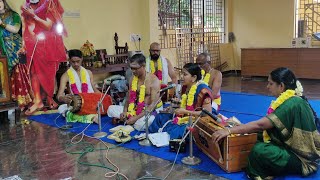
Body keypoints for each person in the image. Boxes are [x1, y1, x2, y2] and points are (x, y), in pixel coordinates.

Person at [212, 67, 320, 179]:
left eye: (270, 83)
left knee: (259, 151)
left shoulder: (292, 103)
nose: (267, 87)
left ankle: (261, 173)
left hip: (302, 158)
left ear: (281, 86)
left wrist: (229, 130)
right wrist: (241, 127)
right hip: (289, 144)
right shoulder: (292, 99)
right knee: (255, 136)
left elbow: (261, 125)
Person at [20, 0, 67, 115]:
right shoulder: (27, 6)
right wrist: (23, 45)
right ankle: (38, 101)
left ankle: (50, 98)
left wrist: (34, 16)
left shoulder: (50, 4)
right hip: (32, 45)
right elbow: (24, 26)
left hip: (47, 46)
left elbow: (48, 26)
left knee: (48, 73)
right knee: (33, 72)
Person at [149, 63, 213, 139]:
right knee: (160, 117)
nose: (181, 77)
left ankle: (163, 137)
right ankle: (154, 136)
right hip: (183, 116)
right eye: (181, 73)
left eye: (185, 74)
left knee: (178, 129)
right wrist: (173, 107)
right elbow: (183, 104)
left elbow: (207, 114)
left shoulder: (203, 90)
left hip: (196, 120)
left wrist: (186, 112)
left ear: (194, 77)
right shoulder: (185, 87)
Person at [107, 54, 163, 131]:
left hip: (150, 110)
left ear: (143, 66)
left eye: (135, 68)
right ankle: (128, 120)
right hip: (135, 108)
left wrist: (135, 118)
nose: (133, 71)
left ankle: (129, 121)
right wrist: (124, 111)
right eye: (131, 68)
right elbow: (128, 97)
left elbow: (152, 106)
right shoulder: (132, 79)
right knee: (110, 109)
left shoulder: (154, 80)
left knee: (140, 125)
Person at [0, 0, 32, 110]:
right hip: (2, 50)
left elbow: (16, 29)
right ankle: (6, 100)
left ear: (4, 2)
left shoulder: (14, 15)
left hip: (14, 48)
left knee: (19, 72)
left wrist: (1, 23)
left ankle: (21, 102)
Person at [57, 49, 100, 123]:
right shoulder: (65, 76)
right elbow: (58, 96)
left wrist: (103, 97)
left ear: (82, 59)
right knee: (61, 108)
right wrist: (63, 98)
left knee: (107, 107)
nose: (76, 64)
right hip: (76, 104)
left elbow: (94, 89)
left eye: (78, 61)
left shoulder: (88, 73)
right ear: (69, 60)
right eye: (73, 62)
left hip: (90, 101)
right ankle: (91, 117)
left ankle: (84, 116)